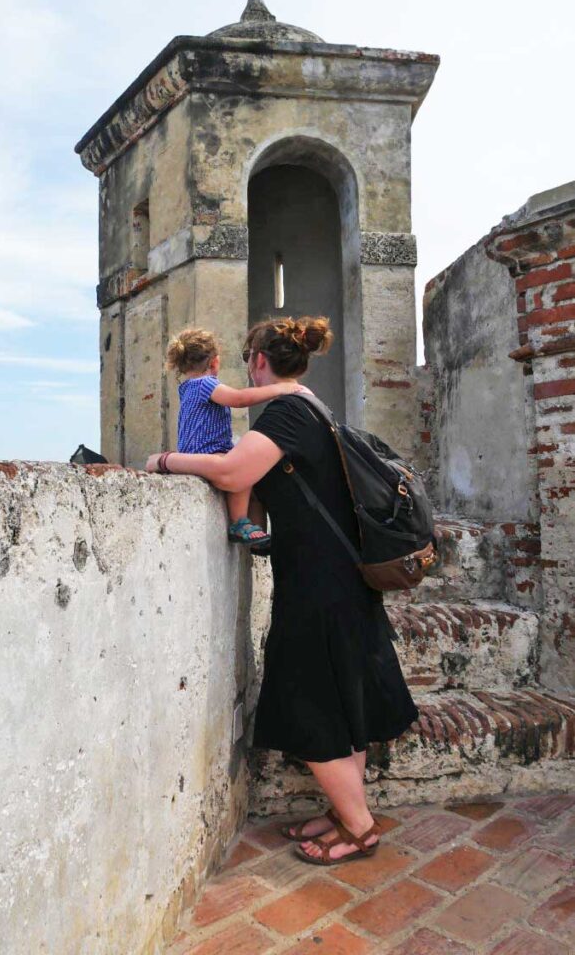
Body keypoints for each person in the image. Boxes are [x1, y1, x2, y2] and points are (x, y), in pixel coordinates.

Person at [147, 316, 419, 865]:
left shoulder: (289, 413)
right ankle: (345, 810)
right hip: (339, 580)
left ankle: (360, 827)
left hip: (321, 585)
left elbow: (230, 472)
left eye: (251, 358)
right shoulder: (311, 407)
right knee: (346, 700)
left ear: (259, 363)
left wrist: (163, 461)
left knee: (309, 701)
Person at [165, 327, 301, 547]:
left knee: (254, 484)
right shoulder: (205, 384)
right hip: (210, 451)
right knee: (244, 475)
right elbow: (238, 399)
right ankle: (239, 523)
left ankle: (256, 533)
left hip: (193, 452)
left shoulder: (186, 387)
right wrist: (282, 389)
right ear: (215, 362)